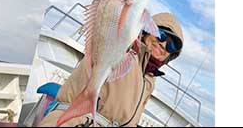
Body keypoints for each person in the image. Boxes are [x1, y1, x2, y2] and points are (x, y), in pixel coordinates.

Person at [38, 12, 184, 127]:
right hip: (72, 121)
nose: (163, 44)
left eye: (172, 45)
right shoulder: (122, 46)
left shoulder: (149, 81)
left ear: (171, 55)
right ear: (146, 30)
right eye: (161, 35)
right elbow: (114, 17)